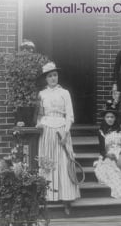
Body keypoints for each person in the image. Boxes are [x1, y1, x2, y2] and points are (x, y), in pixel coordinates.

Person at [36, 61, 79, 214]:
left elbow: (70, 116)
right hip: (47, 130)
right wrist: (39, 125)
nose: (53, 78)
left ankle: (66, 200)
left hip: (62, 130)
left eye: (55, 75)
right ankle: (47, 197)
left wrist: (65, 134)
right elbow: (40, 116)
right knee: (48, 162)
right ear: (46, 79)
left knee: (64, 163)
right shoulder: (42, 94)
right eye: (50, 76)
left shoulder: (64, 93)